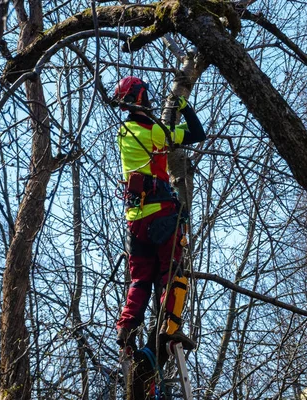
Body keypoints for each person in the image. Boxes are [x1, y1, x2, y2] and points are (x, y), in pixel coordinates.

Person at [113, 76, 205, 364]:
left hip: (134, 221)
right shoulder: (154, 132)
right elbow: (196, 133)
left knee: (140, 277)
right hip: (161, 214)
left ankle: (127, 328)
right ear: (141, 98)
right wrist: (185, 107)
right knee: (172, 271)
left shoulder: (124, 131)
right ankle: (169, 330)